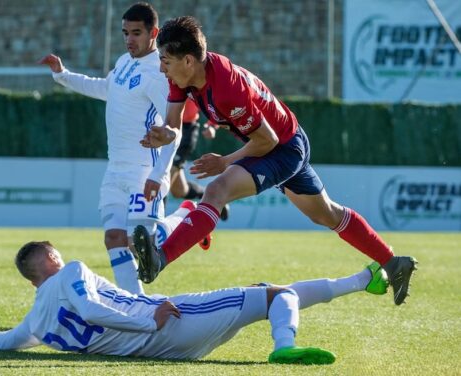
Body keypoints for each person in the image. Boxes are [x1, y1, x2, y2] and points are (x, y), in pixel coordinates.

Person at [133, 16, 417, 306]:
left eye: (166, 61)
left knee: (217, 191)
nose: (161, 68)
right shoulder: (183, 76)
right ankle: (394, 263)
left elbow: (266, 141)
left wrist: (226, 162)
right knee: (326, 214)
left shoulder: (226, 89)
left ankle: (161, 257)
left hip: (282, 148)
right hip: (277, 142)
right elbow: (174, 123)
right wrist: (165, 135)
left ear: (189, 60)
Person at [0, 240, 389, 364]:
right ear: (51, 259)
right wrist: (152, 319)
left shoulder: (37, 319)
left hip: (163, 345)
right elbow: (90, 309)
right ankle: (284, 348)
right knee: (280, 295)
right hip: (168, 321)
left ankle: (359, 281)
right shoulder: (70, 271)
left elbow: (11, 340)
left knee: (266, 291)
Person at [38, 3, 181, 294]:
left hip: (143, 172)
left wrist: (158, 173)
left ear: (154, 33)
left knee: (141, 240)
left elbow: (173, 131)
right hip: (114, 171)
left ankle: (185, 215)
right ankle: (135, 303)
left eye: (137, 33)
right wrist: (62, 75)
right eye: (126, 33)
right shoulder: (124, 62)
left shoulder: (158, 72)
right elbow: (106, 89)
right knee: (114, 238)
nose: (130, 39)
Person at [170, 97, 230, 222]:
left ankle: (154, 229)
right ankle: (210, 196)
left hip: (186, 131)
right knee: (178, 190)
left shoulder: (187, 79)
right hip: (164, 128)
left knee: (163, 180)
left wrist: (212, 125)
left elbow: (212, 98)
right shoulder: (157, 78)